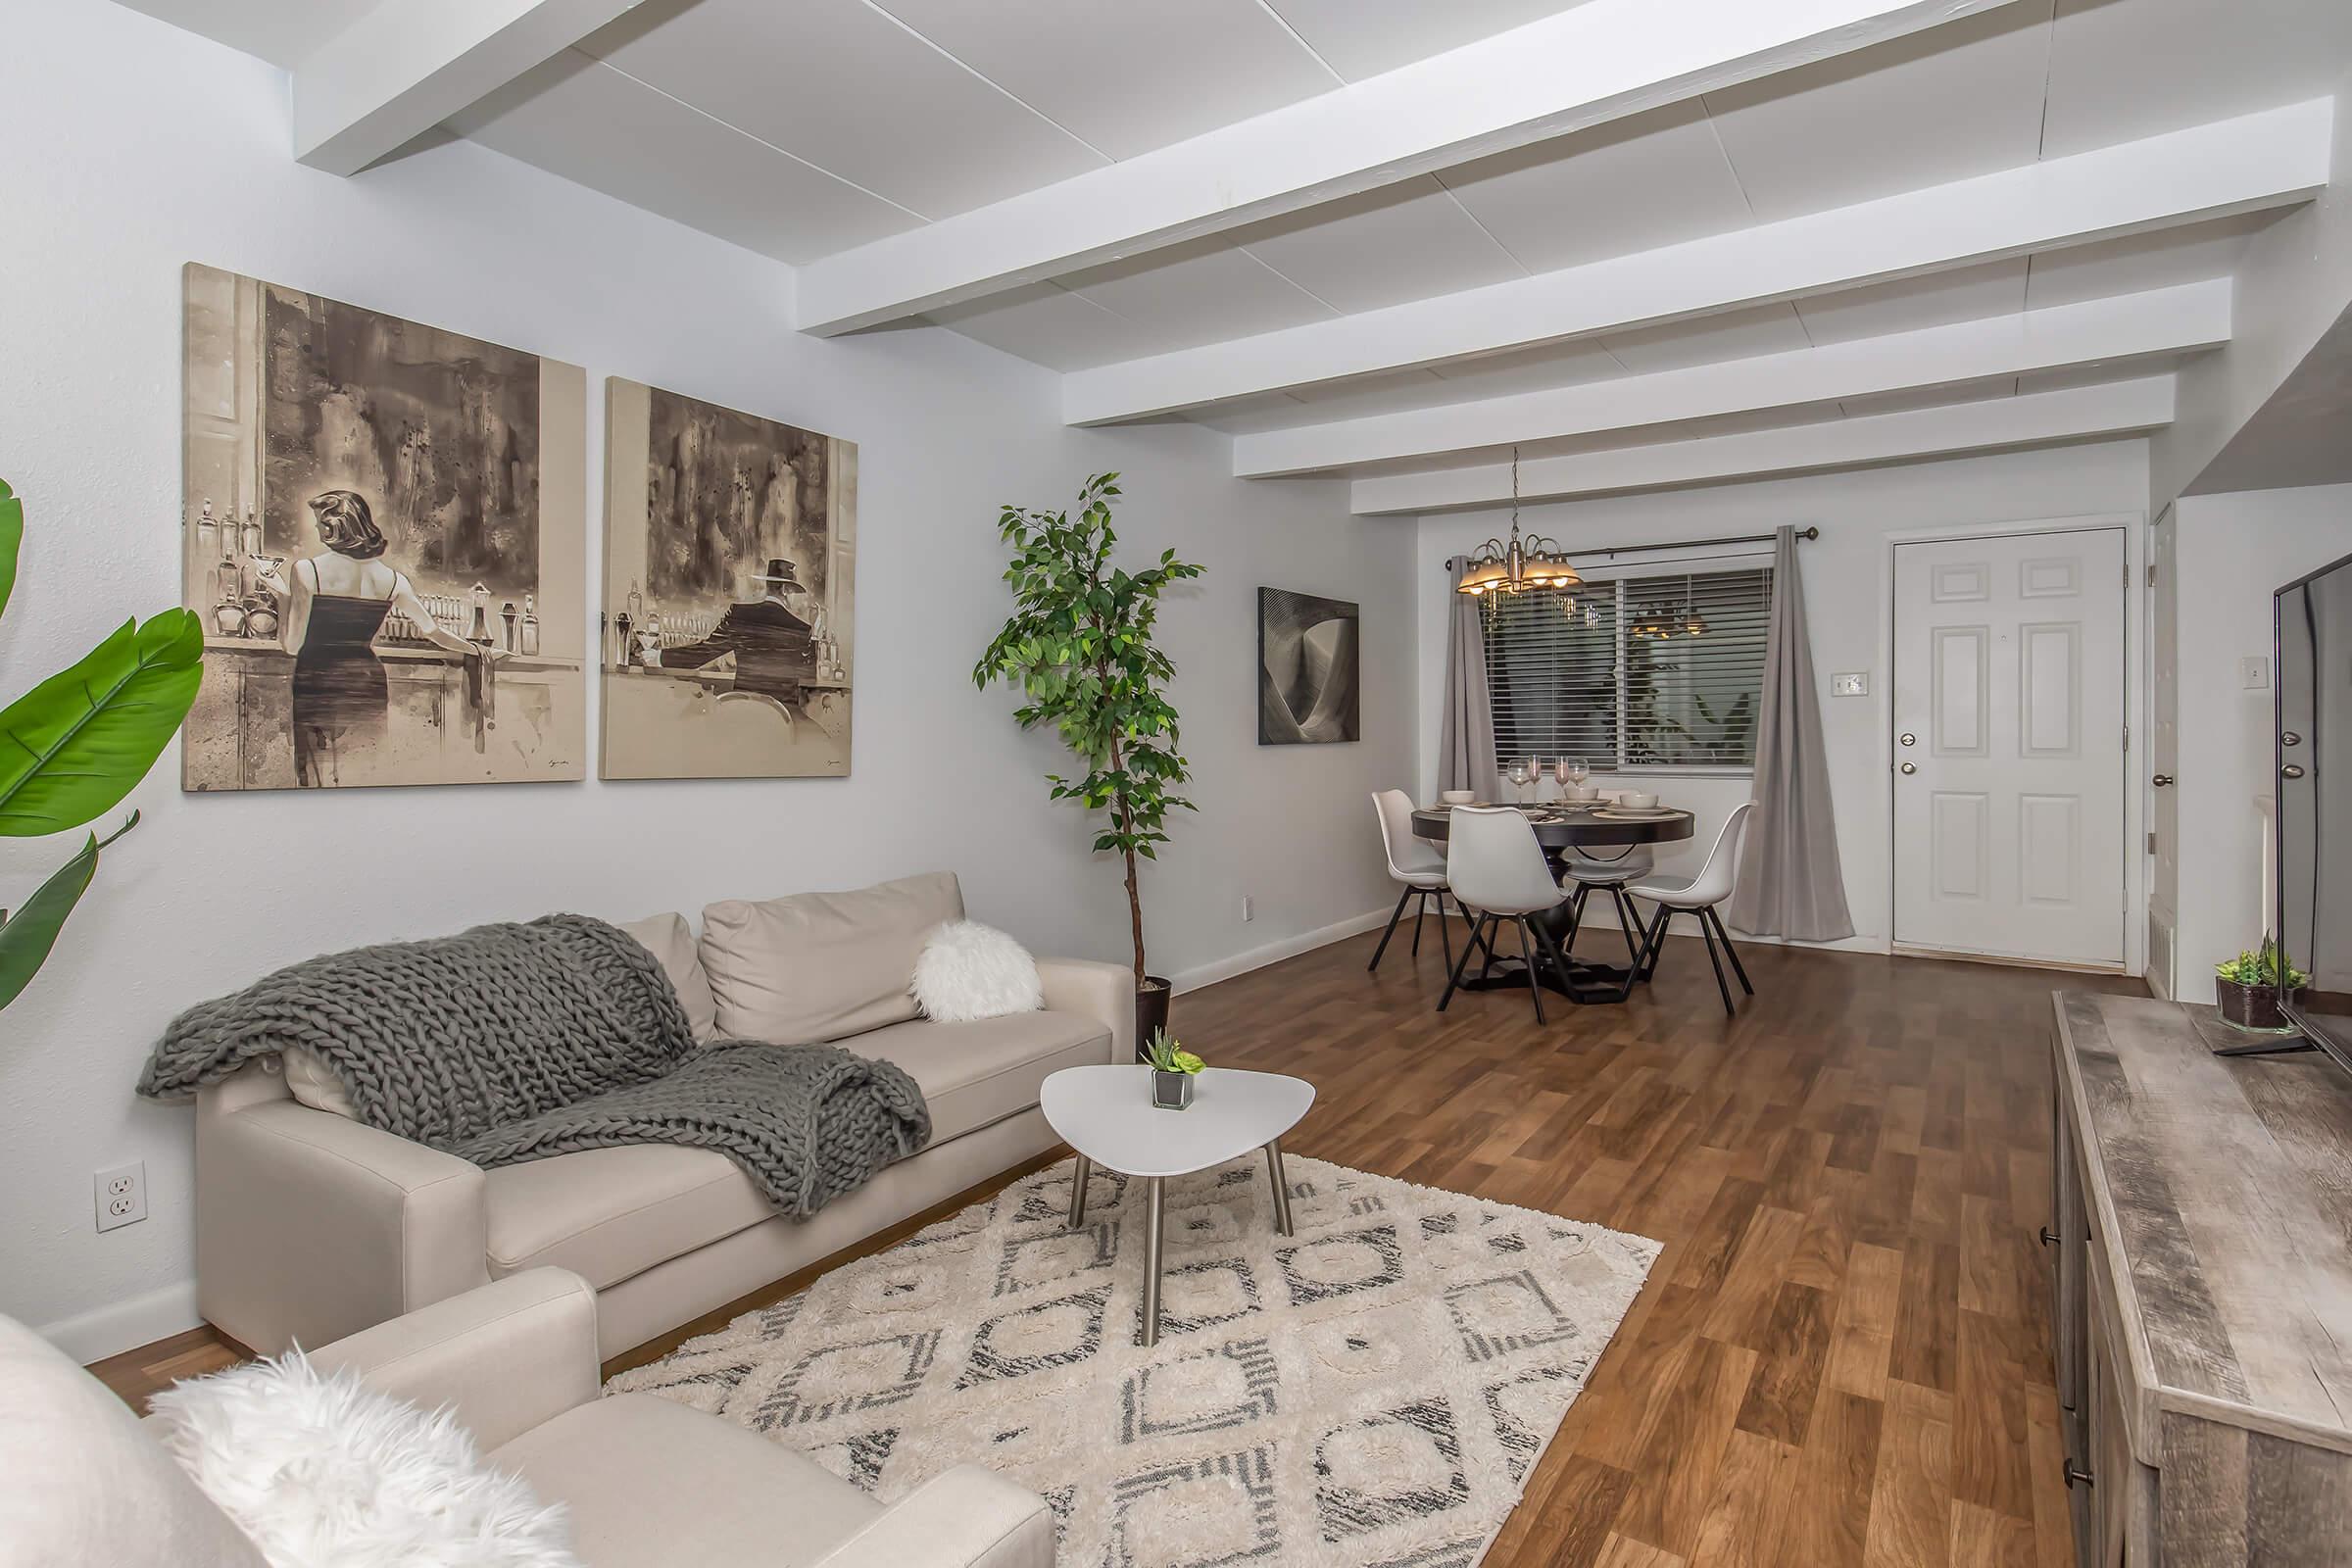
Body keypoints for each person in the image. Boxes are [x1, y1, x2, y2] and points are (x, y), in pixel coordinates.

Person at [254, 490, 490, 787]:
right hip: (367, 681)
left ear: (336, 526)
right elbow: (433, 632)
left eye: (320, 522)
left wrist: (282, 595)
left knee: (317, 779)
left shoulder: (306, 571)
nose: (316, 528)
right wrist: (478, 650)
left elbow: (291, 646)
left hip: (318, 680)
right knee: (367, 774)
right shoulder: (393, 580)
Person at [659, 557, 816, 708]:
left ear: (768, 587)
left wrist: (661, 657)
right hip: (781, 716)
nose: (797, 599)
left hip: (745, 710)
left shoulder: (740, 614)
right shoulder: (802, 629)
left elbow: (706, 650)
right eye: (794, 592)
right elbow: (810, 675)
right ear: (785, 590)